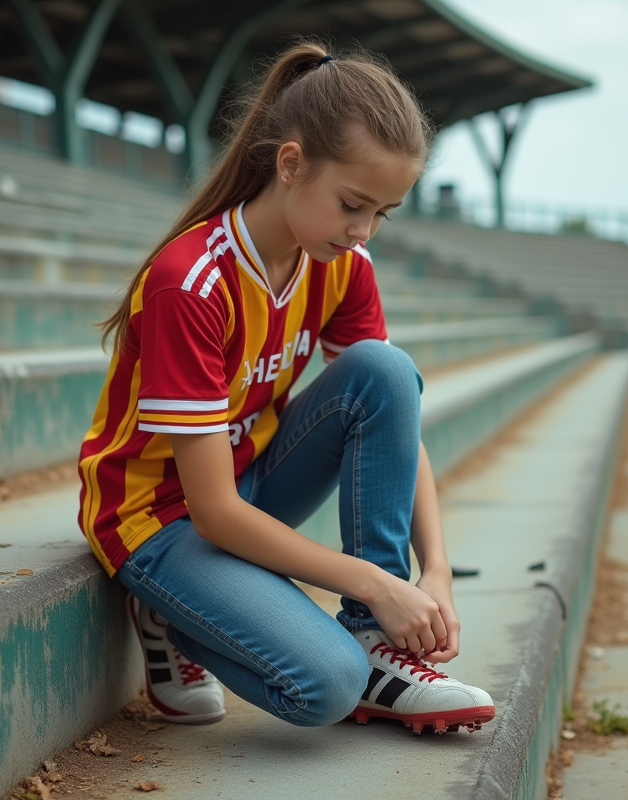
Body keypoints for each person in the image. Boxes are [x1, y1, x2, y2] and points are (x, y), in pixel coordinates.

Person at [77, 43, 495, 736]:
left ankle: (376, 644)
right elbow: (209, 511)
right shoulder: (191, 283)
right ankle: (168, 609)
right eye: (351, 204)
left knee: (387, 370)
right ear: (291, 164)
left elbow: (394, 414)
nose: (363, 231)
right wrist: (372, 581)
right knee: (326, 687)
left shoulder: (342, 265)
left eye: (382, 214)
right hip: (161, 517)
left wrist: (435, 572)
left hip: (248, 481)